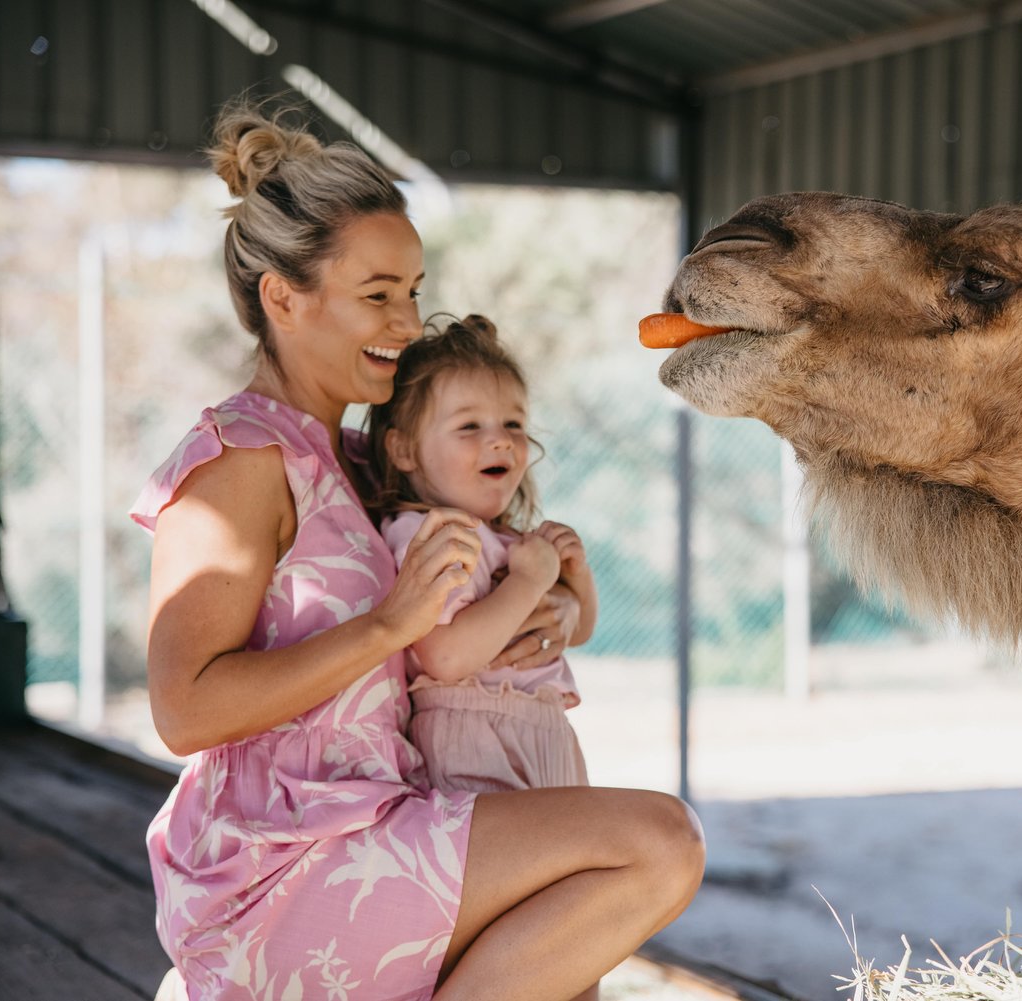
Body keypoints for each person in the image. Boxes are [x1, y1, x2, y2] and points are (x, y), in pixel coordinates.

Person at [133, 99, 703, 1001]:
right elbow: (183, 709)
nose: (406, 321)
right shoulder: (240, 459)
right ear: (282, 298)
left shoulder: (363, 457)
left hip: (388, 815)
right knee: (659, 843)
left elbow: (484, 559)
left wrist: (550, 606)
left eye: (412, 290)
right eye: (377, 295)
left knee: (568, 960)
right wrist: (386, 627)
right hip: (278, 867)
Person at [367, 314, 597, 796]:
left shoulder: (510, 541)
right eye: (469, 425)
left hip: (541, 738)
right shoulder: (427, 535)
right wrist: (529, 582)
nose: (501, 439)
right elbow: (445, 656)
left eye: (514, 423)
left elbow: (578, 632)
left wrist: (575, 579)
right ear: (404, 450)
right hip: (476, 742)